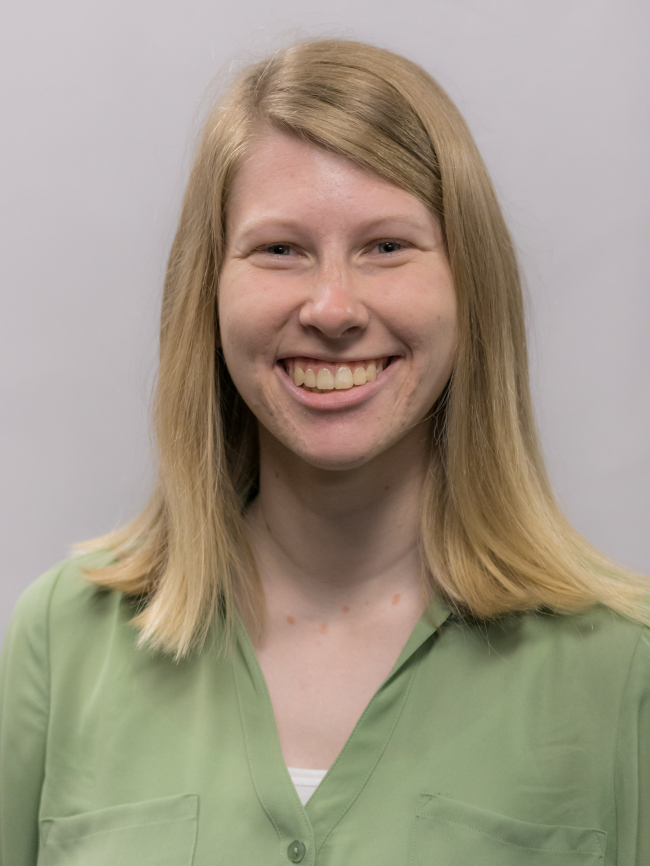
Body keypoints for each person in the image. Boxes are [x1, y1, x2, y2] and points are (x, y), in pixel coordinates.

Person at [0, 38, 648, 866]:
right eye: (280, 249)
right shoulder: (64, 642)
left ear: (469, 285)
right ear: (210, 289)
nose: (333, 308)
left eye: (386, 245)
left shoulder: (625, 669)